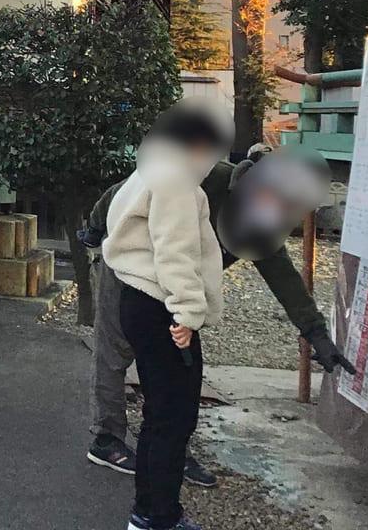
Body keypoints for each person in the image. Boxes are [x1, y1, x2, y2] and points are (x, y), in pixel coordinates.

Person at [84, 146, 353, 488]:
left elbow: (282, 274)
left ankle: (172, 450)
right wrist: (94, 227)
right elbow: (128, 190)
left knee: (180, 370)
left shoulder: (262, 225)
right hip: (130, 270)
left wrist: (315, 331)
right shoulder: (207, 176)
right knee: (114, 352)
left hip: (183, 288)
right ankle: (106, 438)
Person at [102, 101, 230, 530]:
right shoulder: (176, 179)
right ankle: (157, 516)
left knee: (161, 412)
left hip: (141, 299)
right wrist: (188, 313)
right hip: (163, 306)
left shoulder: (150, 170)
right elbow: (175, 252)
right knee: (174, 415)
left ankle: (150, 512)